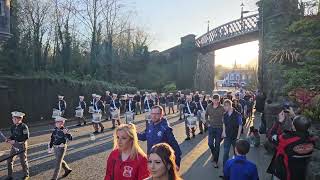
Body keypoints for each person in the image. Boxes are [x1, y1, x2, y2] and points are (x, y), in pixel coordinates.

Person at [267, 116, 317, 180]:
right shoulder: (312, 140)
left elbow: (270, 135)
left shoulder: (285, 139)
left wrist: (278, 122)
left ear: (293, 126)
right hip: (300, 173)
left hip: (283, 172)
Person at [5, 111, 30, 180]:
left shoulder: (24, 127)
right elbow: (13, 135)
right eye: (13, 118)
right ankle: (10, 176)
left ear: (20, 119)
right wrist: (9, 138)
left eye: (15, 119)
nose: (13, 120)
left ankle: (26, 175)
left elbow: (26, 137)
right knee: (9, 160)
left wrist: (15, 141)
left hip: (21, 145)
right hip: (14, 146)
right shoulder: (12, 127)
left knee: (23, 161)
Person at [205, 94, 225, 168]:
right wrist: (208, 123)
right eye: (214, 100)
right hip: (211, 128)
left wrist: (224, 130)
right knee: (210, 143)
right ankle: (214, 154)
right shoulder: (208, 106)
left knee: (217, 145)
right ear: (212, 100)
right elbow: (206, 115)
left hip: (219, 128)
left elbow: (225, 117)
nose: (216, 101)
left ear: (219, 100)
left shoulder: (222, 108)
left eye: (217, 100)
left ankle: (215, 161)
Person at [222, 99, 243, 167]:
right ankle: (225, 169)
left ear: (229, 106)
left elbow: (240, 125)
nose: (224, 108)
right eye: (224, 106)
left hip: (235, 137)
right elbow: (224, 124)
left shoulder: (237, 114)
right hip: (227, 136)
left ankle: (236, 168)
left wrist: (238, 137)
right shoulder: (225, 114)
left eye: (225, 106)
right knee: (225, 153)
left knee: (236, 153)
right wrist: (224, 132)